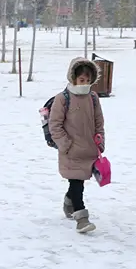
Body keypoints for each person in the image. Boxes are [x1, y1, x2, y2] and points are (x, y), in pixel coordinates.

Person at [49, 58, 105, 234]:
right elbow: (55, 125)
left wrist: (100, 140)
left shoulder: (93, 98)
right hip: (71, 150)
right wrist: (65, 145)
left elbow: (99, 121)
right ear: (73, 78)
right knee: (77, 183)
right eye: (82, 80)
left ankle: (68, 202)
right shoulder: (62, 98)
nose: (85, 83)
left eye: (88, 80)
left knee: (78, 181)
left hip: (89, 149)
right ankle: (82, 219)